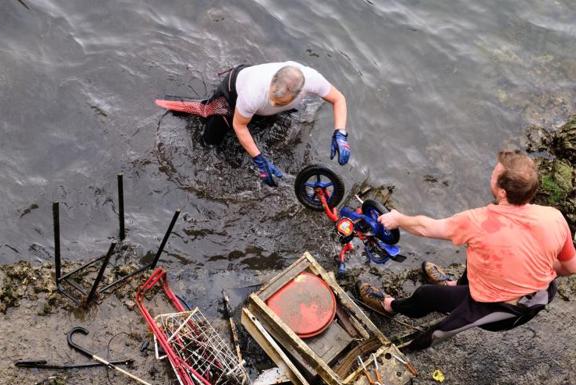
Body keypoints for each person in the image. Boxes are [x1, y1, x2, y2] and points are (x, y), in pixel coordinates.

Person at [358, 149, 576, 350]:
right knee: (482, 255)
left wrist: (398, 219)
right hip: (541, 295)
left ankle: (390, 309)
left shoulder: (478, 221)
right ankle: (454, 286)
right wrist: (533, 265)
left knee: (427, 298)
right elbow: (569, 266)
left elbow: (427, 228)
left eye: (494, 173)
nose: (491, 172)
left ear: (501, 192)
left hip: (502, 311)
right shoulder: (554, 217)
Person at [203, 61, 350, 186]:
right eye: (273, 98)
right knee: (209, 143)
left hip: (259, 107)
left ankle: (261, 114)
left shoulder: (311, 80)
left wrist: (340, 133)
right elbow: (239, 126)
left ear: (299, 94)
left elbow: (338, 99)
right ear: (273, 80)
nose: (273, 102)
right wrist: (259, 159)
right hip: (233, 92)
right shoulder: (253, 92)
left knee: (270, 127)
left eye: (279, 103)